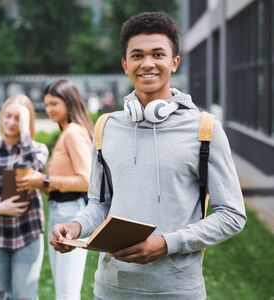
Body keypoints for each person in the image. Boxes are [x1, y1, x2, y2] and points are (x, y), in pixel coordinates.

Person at [50, 12, 247, 299]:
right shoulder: (107, 127)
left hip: (177, 291)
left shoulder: (205, 129)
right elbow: (100, 203)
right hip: (110, 289)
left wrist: (166, 243)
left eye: (158, 54)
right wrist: (75, 226)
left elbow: (231, 215)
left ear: (174, 62)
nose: (148, 63)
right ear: (125, 64)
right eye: (137, 55)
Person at [17, 79, 94, 300]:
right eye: (46, 104)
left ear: (69, 103)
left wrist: (47, 180)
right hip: (60, 209)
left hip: (70, 213)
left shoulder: (73, 133)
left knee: (67, 291)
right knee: (63, 288)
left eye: (54, 104)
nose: (49, 109)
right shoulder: (66, 132)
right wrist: (40, 184)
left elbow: (86, 180)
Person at [0, 95, 48, 300]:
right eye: (8, 116)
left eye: (18, 118)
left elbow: (35, 170)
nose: (11, 122)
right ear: (1, 117)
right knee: (1, 295)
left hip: (27, 232)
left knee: (25, 295)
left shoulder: (37, 149)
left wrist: (25, 134)